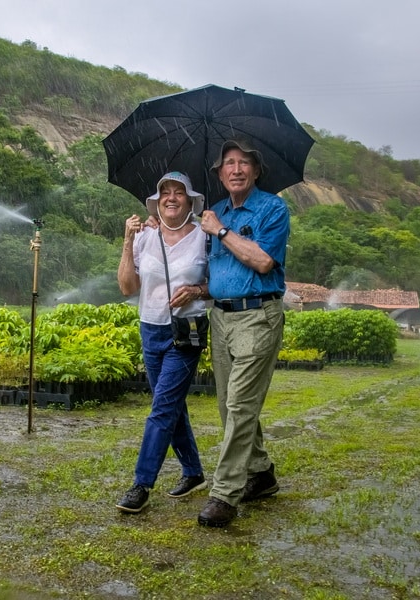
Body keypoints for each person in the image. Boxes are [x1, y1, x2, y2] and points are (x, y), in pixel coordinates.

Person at [195, 138, 288, 527]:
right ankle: (261, 473)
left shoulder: (272, 208)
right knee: (227, 404)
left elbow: (263, 262)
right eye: (228, 163)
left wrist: (220, 232)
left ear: (255, 170)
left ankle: (225, 492)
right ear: (219, 173)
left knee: (239, 406)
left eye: (244, 163)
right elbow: (214, 272)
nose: (236, 169)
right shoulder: (213, 211)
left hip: (257, 316)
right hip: (221, 318)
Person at [115, 171, 211, 513]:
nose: (171, 197)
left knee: (161, 410)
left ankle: (141, 484)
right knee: (169, 405)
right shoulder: (145, 236)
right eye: (165, 192)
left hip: (187, 332)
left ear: (191, 201)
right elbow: (128, 287)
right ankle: (193, 471)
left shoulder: (205, 237)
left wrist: (197, 290)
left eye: (179, 192)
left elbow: (221, 284)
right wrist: (128, 239)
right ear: (157, 201)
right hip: (150, 329)